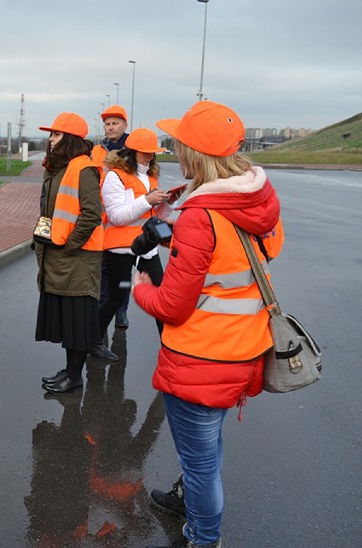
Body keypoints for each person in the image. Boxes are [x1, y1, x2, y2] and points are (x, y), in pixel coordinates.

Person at [133, 101, 284, 548]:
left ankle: (203, 537)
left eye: (178, 144)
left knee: (201, 463)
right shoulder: (257, 199)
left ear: (192, 153)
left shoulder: (202, 217)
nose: (173, 150)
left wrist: (141, 287)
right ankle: (189, 503)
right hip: (246, 350)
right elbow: (243, 261)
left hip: (200, 359)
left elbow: (173, 306)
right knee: (208, 449)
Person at [35, 113, 105, 394]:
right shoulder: (57, 168)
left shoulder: (83, 168)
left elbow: (92, 214)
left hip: (77, 258)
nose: (50, 140)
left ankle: (75, 376)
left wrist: (70, 245)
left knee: (77, 321)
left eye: (55, 135)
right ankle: (70, 370)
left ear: (69, 138)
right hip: (59, 255)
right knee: (67, 320)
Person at [90, 128, 174, 360]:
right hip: (121, 247)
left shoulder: (151, 176)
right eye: (144, 152)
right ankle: (94, 341)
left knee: (161, 295)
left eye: (152, 152)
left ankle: (170, 347)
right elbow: (117, 216)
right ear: (132, 151)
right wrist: (147, 200)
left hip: (147, 246)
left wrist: (166, 203)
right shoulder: (114, 176)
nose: (149, 156)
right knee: (117, 296)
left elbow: (151, 214)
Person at [91, 105, 132, 330]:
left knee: (124, 271)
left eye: (115, 123)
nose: (110, 127)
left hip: (126, 220)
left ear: (125, 125)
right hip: (103, 220)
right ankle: (104, 305)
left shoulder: (133, 150)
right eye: (107, 124)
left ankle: (122, 309)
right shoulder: (98, 150)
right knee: (104, 268)